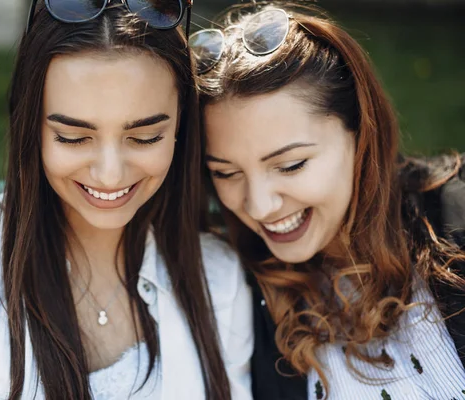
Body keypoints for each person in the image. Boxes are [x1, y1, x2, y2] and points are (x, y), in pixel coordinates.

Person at [0, 1, 253, 399]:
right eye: (73, 138)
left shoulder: (218, 281)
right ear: (31, 127)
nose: (110, 174)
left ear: (180, 127)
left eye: (144, 138)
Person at [191, 2, 465, 399]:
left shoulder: (456, 219)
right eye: (226, 173)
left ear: (360, 133)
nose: (260, 207)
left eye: (290, 165)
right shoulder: (237, 299)